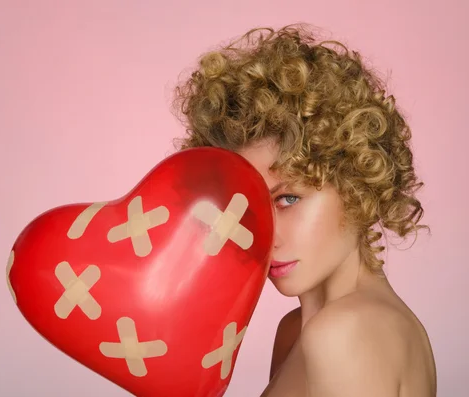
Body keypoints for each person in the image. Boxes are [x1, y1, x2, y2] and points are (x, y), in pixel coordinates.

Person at [171, 24, 437, 396]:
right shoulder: (297, 331)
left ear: (355, 183)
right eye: (248, 208)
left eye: (288, 199)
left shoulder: (344, 334)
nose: (266, 234)